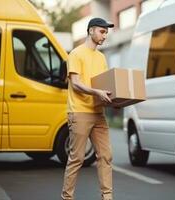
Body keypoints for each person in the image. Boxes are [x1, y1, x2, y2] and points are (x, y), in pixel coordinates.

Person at [61, 17, 114, 200]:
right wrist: (96, 92)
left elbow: (104, 84)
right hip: (80, 112)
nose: (104, 35)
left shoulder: (101, 57)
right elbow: (75, 84)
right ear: (91, 30)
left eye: (106, 32)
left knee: (106, 156)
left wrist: (111, 97)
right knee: (77, 159)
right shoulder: (76, 54)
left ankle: (107, 197)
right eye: (102, 31)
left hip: (99, 113)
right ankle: (67, 197)